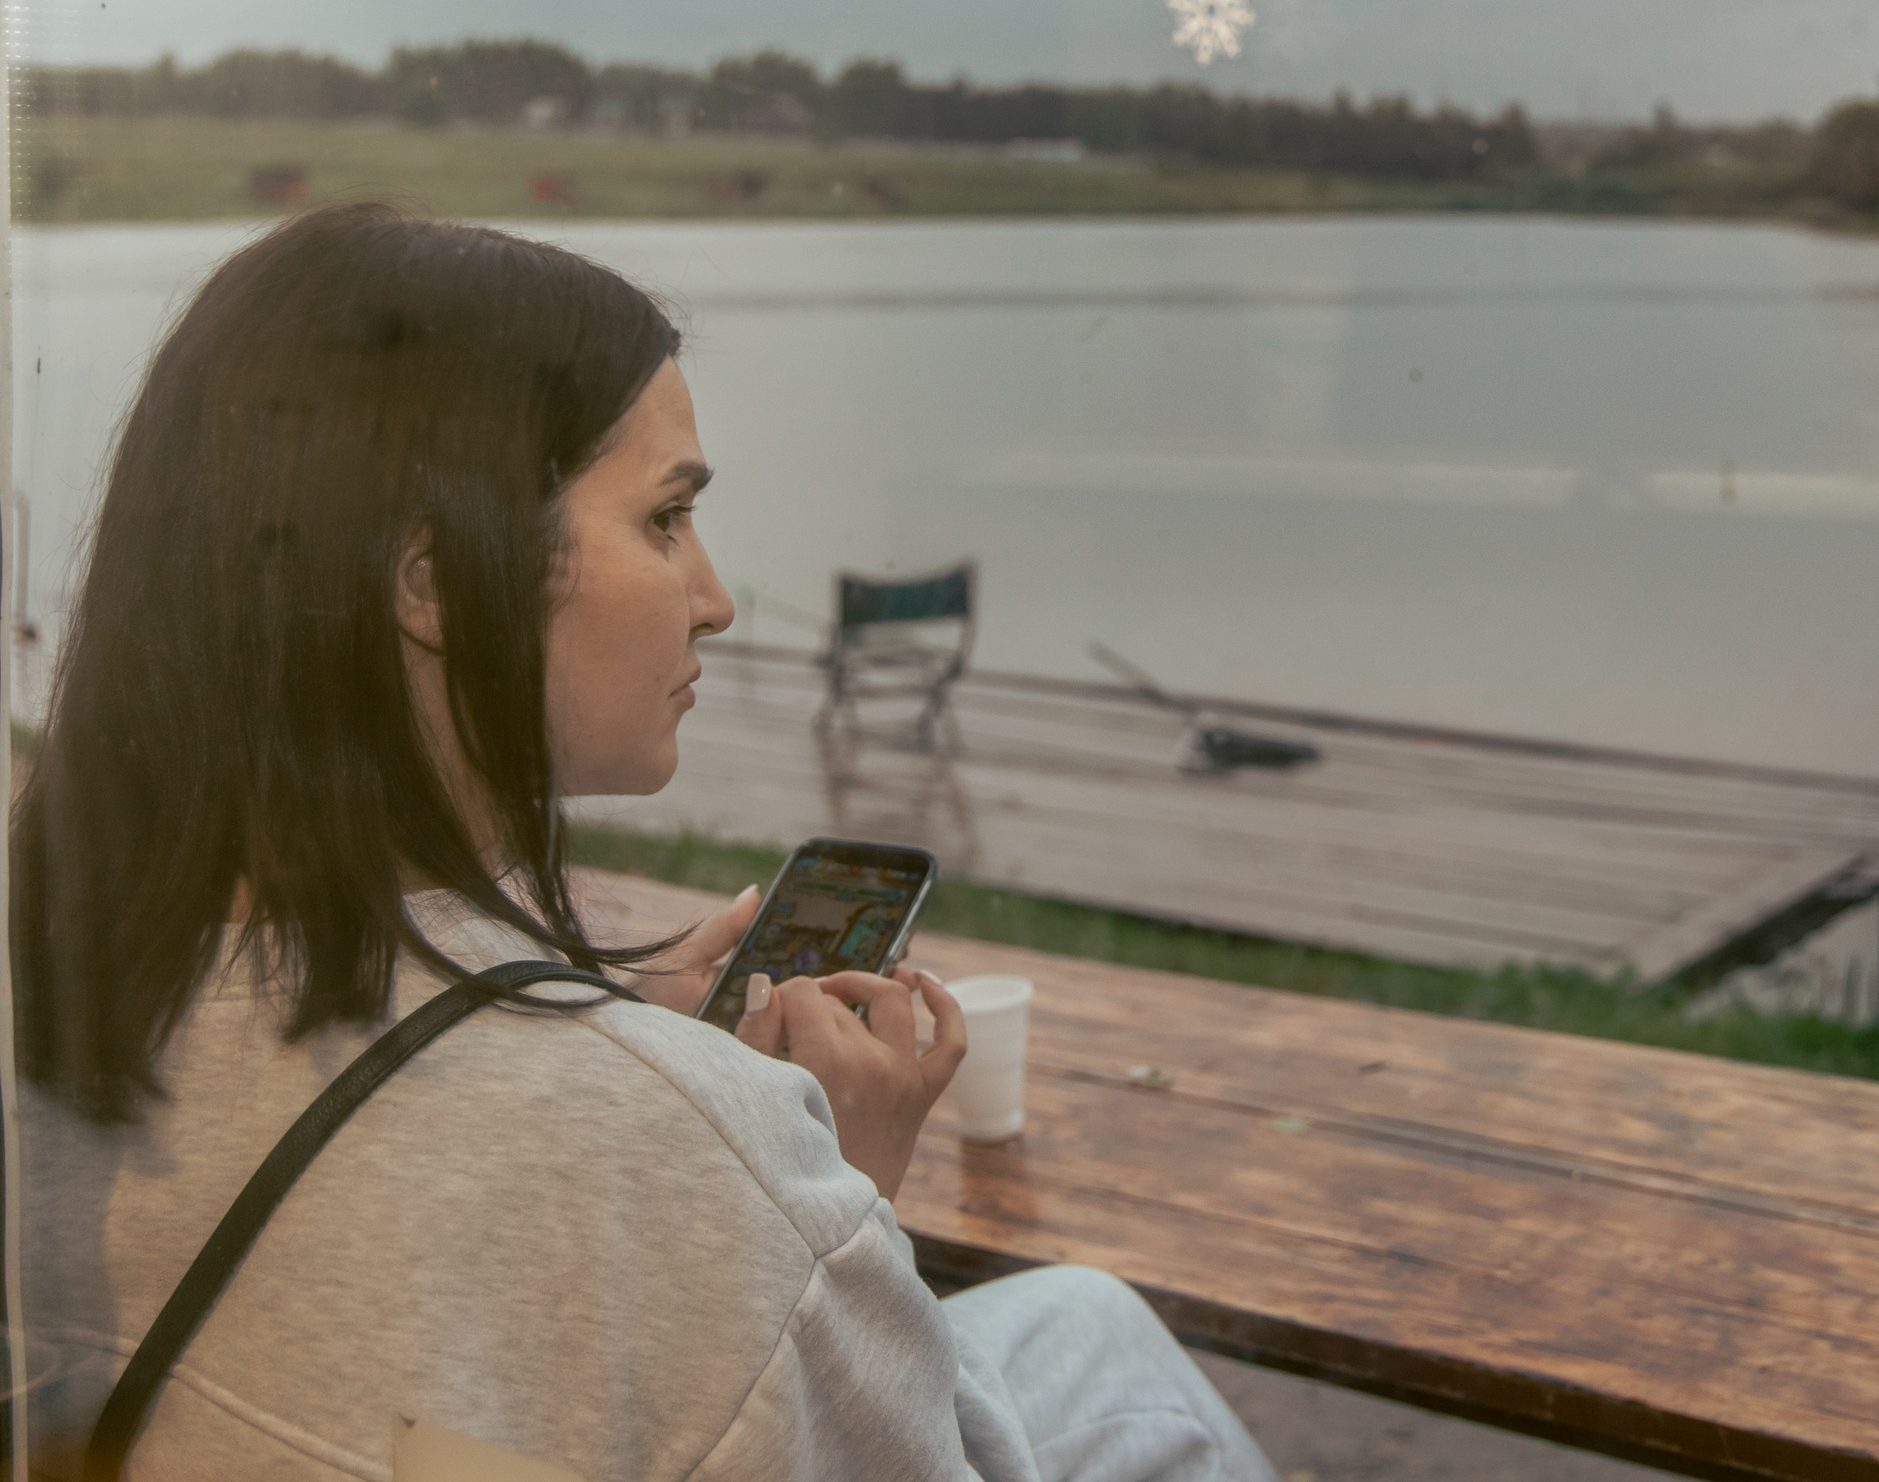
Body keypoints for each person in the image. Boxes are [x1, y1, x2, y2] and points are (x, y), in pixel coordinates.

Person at [11, 204, 1279, 1482]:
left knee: (1084, 1319)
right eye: (665, 519)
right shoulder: (681, 1150)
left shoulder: (54, 967)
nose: (715, 599)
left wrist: (578, 1012)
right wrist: (824, 1201)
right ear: (437, 582)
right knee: (1121, 1370)